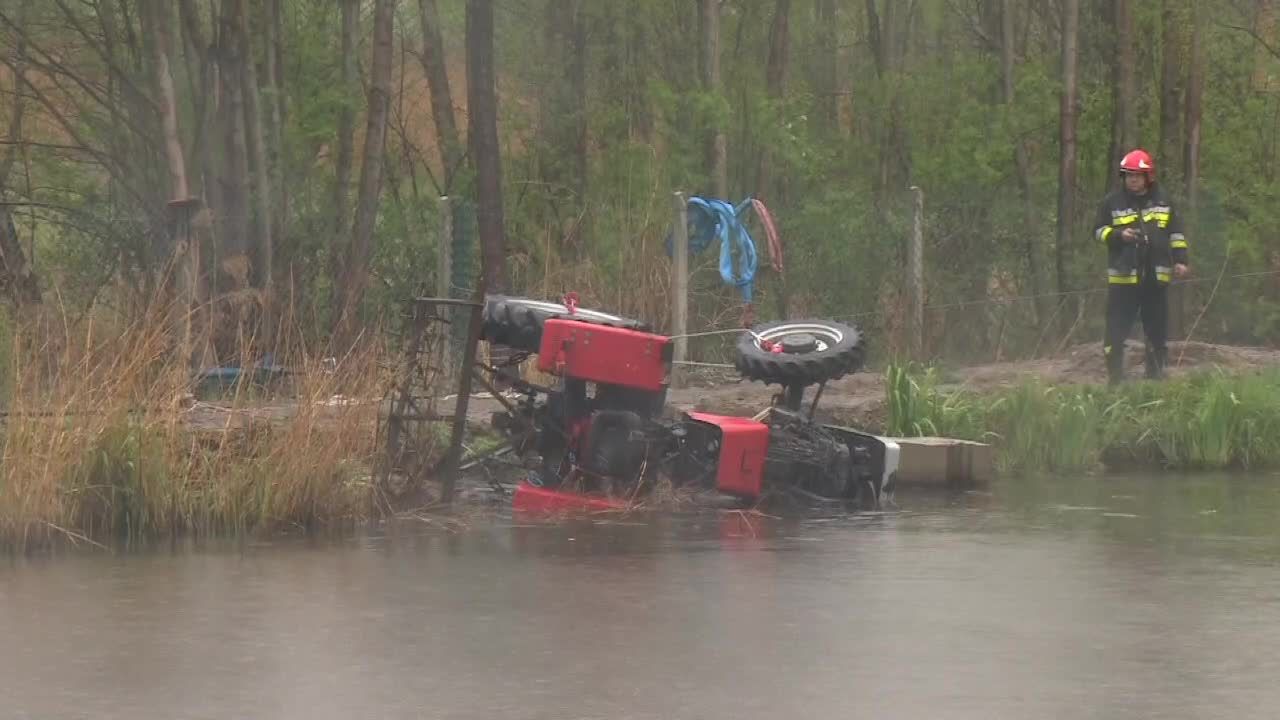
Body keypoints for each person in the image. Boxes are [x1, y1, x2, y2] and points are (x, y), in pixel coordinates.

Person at [1093, 148, 1190, 384]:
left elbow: (1176, 233)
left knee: (1157, 331)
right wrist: (1118, 235)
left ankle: (1155, 377)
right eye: (1128, 175)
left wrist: (1180, 260)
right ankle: (1115, 380)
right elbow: (1097, 231)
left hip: (1155, 278)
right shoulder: (1111, 202)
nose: (1132, 180)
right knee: (1116, 331)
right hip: (1123, 279)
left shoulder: (1164, 201)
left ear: (1148, 177)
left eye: (1136, 175)